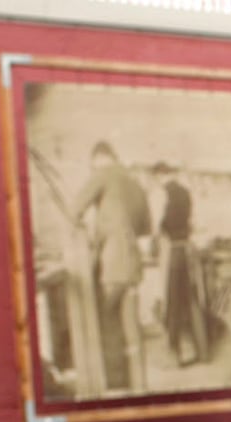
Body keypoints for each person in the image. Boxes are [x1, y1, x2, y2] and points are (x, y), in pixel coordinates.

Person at [71, 140, 152, 390]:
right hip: (133, 266)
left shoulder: (103, 174)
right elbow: (143, 228)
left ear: (98, 159)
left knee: (105, 323)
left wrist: (89, 234)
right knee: (132, 328)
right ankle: (140, 387)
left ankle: (114, 387)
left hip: (112, 266)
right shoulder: (135, 184)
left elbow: (74, 209)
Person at [153, 162, 208, 367]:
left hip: (173, 251)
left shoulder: (161, 194)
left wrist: (156, 240)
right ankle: (203, 353)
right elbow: (193, 223)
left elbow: (158, 226)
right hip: (188, 249)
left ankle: (175, 356)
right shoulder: (186, 192)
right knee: (193, 301)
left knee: (173, 303)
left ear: (159, 176)